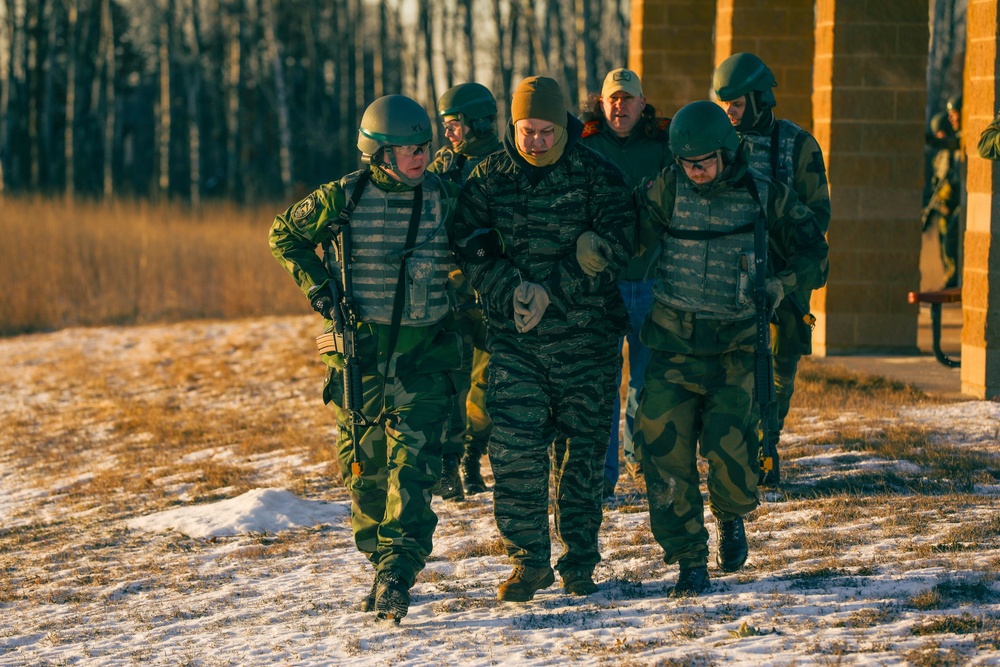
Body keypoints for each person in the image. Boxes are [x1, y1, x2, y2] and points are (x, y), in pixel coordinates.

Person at [268, 94, 460, 623]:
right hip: (362, 360)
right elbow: (283, 235)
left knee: (413, 471)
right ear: (377, 153)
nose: (419, 158)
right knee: (366, 473)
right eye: (406, 151)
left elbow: (477, 244)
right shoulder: (344, 198)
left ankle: (398, 570)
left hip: (424, 357)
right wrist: (320, 289)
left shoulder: (444, 197)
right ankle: (381, 562)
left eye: (424, 148)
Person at [634, 100, 829, 597]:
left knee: (732, 451)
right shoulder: (667, 188)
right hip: (674, 344)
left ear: (728, 152)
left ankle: (730, 514)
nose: (695, 173)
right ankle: (688, 560)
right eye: (686, 164)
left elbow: (815, 253)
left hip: (737, 347)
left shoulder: (763, 195)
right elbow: (625, 235)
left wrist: (782, 284)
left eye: (703, 163)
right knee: (662, 453)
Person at [453, 75, 634, 601]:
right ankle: (528, 561)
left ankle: (580, 561)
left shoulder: (596, 173)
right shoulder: (488, 177)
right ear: (513, 125)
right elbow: (466, 241)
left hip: (588, 341)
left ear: (563, 127)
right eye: (526, 130)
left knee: (580, 459)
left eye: (546, 131)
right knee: (515, 453)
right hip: (516, 344)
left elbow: (622, 236)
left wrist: (557, 286)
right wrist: (509, 287)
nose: (535, 141)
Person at [713, 52, 831, 486]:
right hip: (730, 278)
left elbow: (817, 220)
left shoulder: (796, 146)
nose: (729, 113)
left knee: (777, 377)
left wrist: (777, 215)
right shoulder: (718, 142)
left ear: (760, 100)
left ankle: (767, 446)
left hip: (784, 280)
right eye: (724, 104)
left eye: (737, 104)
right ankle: (741, 451)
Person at [579, 68, 672, 500]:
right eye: (612, 99)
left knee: (647, 380)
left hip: (652, 281)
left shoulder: (662, 147)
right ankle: (604, 473)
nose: (620, 106)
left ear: (642, 102)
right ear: (602, 103)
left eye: (628, 99)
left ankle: (640, 458)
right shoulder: (585, 146)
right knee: (603, 382)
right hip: (604, 287)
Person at [428, 82, 502, 499]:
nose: (449, 134)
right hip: (451, 289)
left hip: (494, 289)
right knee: (452, 382)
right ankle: (450, 465)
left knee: (487, 382)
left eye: (454, 125)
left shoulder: (508, 164)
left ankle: (476, 456)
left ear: (476, 123)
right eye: (446, 126)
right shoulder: (443, 166)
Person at [922, 111, 962, 288]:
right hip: (943, 205)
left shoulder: (955, 148)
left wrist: (928, 139)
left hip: (955, 204)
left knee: (950, 241)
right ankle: (949, 275)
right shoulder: (940, 157)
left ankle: (953, 278)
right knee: (943, 242)